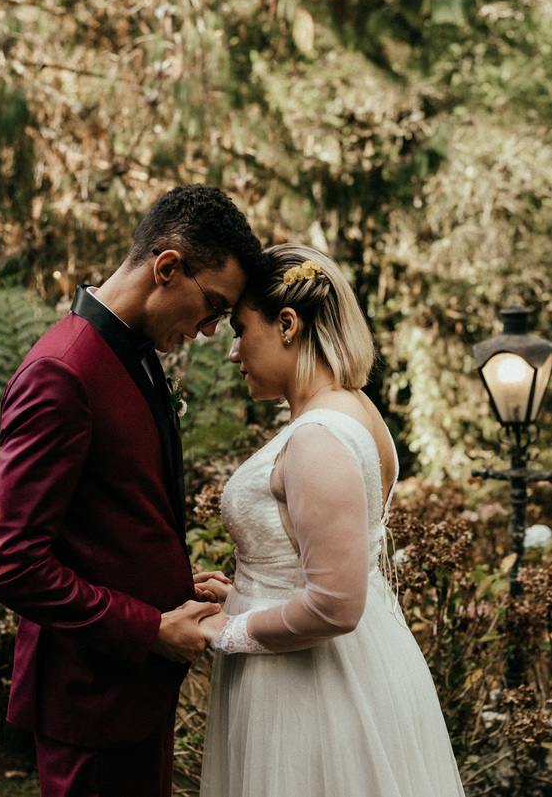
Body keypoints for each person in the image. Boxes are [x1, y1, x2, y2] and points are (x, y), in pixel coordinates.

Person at [0, 184, 262, 797]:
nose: (210, 330)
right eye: (212, 306)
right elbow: (7, 562)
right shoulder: (62, 371)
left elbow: (108, 518)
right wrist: (146, 628)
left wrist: (169, 589)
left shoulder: (131, 354)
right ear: (166, 268)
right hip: (93, 702)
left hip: (131, 696)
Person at [195, 243, 466, 796]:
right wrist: (245, 589)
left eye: (241, 330)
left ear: (288, 324)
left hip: (308, 689)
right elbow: (306, 559)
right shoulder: (357, 410)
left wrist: (229, 630)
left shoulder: (318, 437)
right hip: (346, 665)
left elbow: (335, 604)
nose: (233, 352)